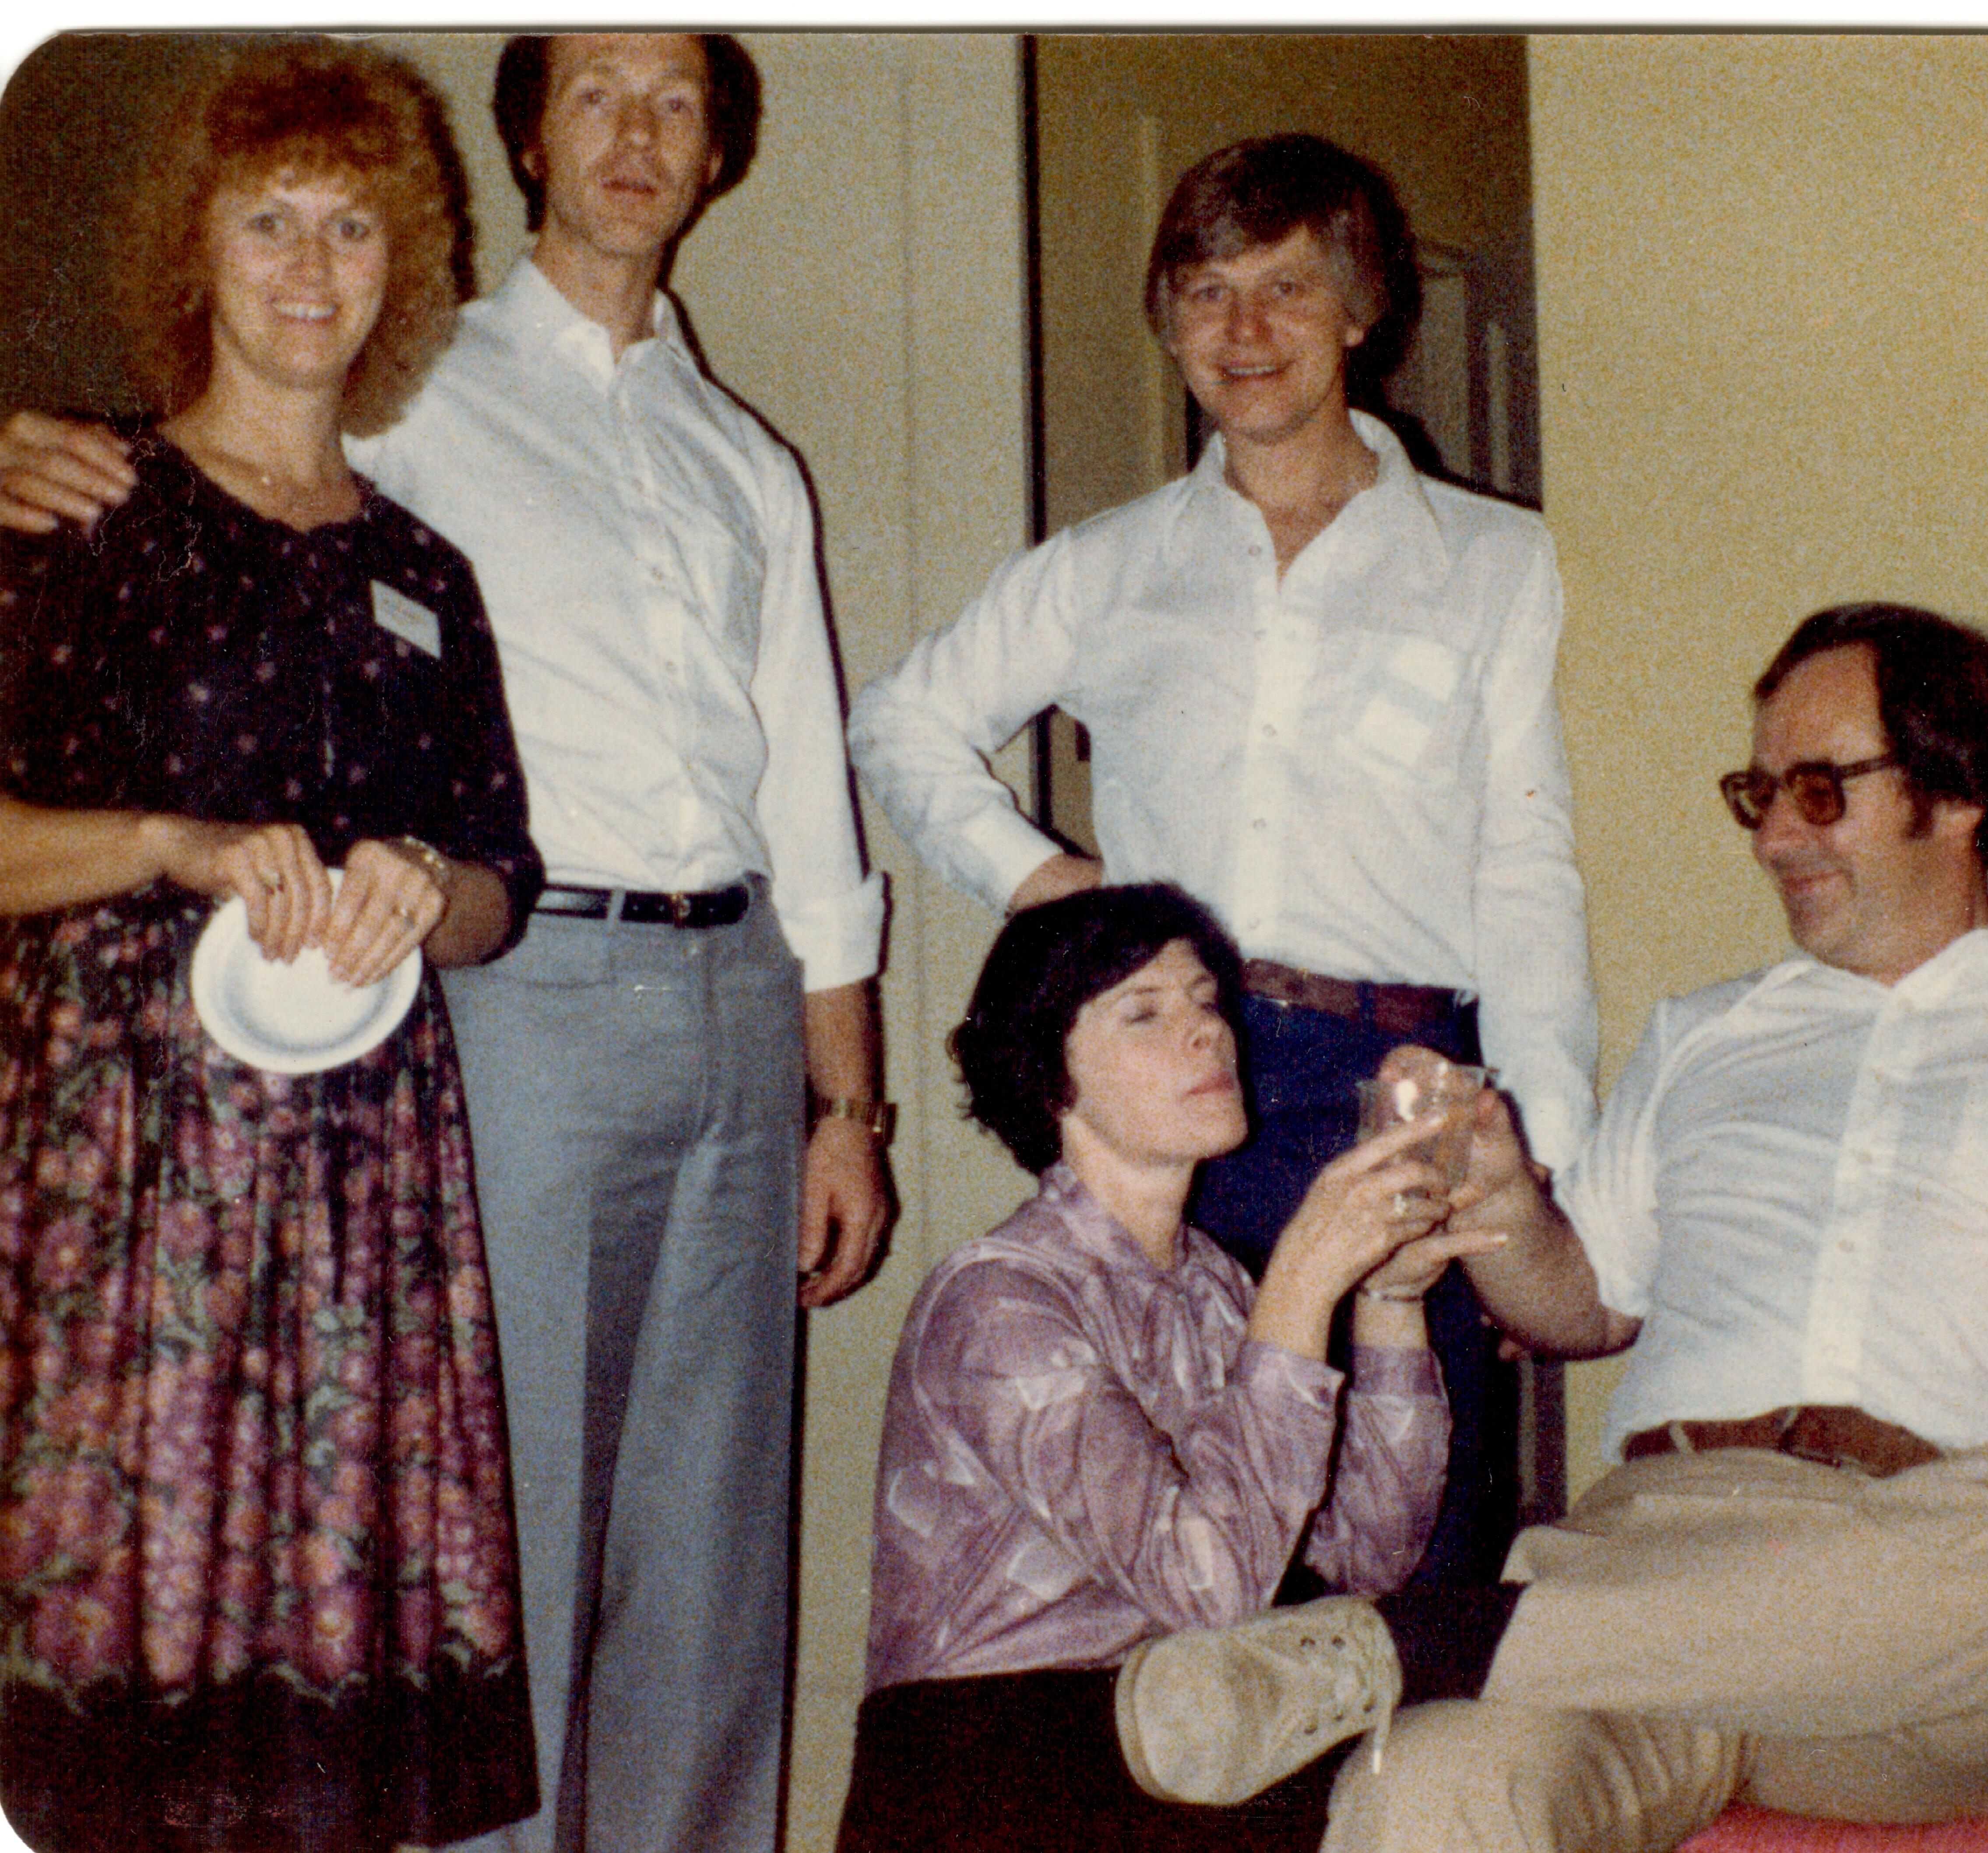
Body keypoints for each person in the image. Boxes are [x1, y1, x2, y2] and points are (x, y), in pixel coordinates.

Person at [0, 33, 893, 1853]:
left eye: (677, 101)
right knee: (500, 1546)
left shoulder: (738, 458)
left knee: (714, 1566)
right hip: (491, 1012)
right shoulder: (414, 380)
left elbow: (807, 791)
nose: (638, 135)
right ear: (528, 142)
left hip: (715, 1004)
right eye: (597, 95)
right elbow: (206, 434)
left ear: (718, 150)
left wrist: (848, 1105)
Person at [1110, 604, 1988, 1852]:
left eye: (1820, 792)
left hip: (1913, 1646)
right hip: (1654, 1558)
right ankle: (1450, 1652)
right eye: (1757, 795)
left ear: (1960, 791)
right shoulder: (1703, 1035)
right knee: (1428, 1785)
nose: (1774, 837)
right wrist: (1505, 1202)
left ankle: (1420, 1639)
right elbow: (1583, 1306)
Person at [848, 133, 1596, 1586]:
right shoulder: (1109, 565)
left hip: (1393, 1091)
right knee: (1202, 1551)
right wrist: (1044, 886)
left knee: (1412, 1544)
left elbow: (1525, 859)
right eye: (1204, 293)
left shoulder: (1495, 564)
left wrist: (1541, 1158)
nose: (1242, 330)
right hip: (1176, 1088)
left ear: (1360, 309)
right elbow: (901, 721)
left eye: (1284, 288)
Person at [0, 38, 545, 1851]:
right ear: (196, 250)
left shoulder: (427, 572)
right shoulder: (80, 506)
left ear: (406, 270)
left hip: (363, 1181)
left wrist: (426, 884)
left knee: (326, 1689)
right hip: (131, 1171)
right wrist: (169, 842)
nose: (313, 265)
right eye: (269, 221)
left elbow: (502, 883)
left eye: (353, 226)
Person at [837, 883, 1510, 1853]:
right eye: (1144, 1013)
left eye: (1206, 1001)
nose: (1206, 1032)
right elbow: (1208, 1587)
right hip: (993, 1768)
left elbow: (1370, 1556)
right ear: (1049, 1078)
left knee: (1466, 1725)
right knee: (1474, 1666)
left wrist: (1390, 1301)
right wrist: (1302, 1282)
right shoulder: (997, 1300)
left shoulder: (1214, 1288)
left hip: (1176, 1745)